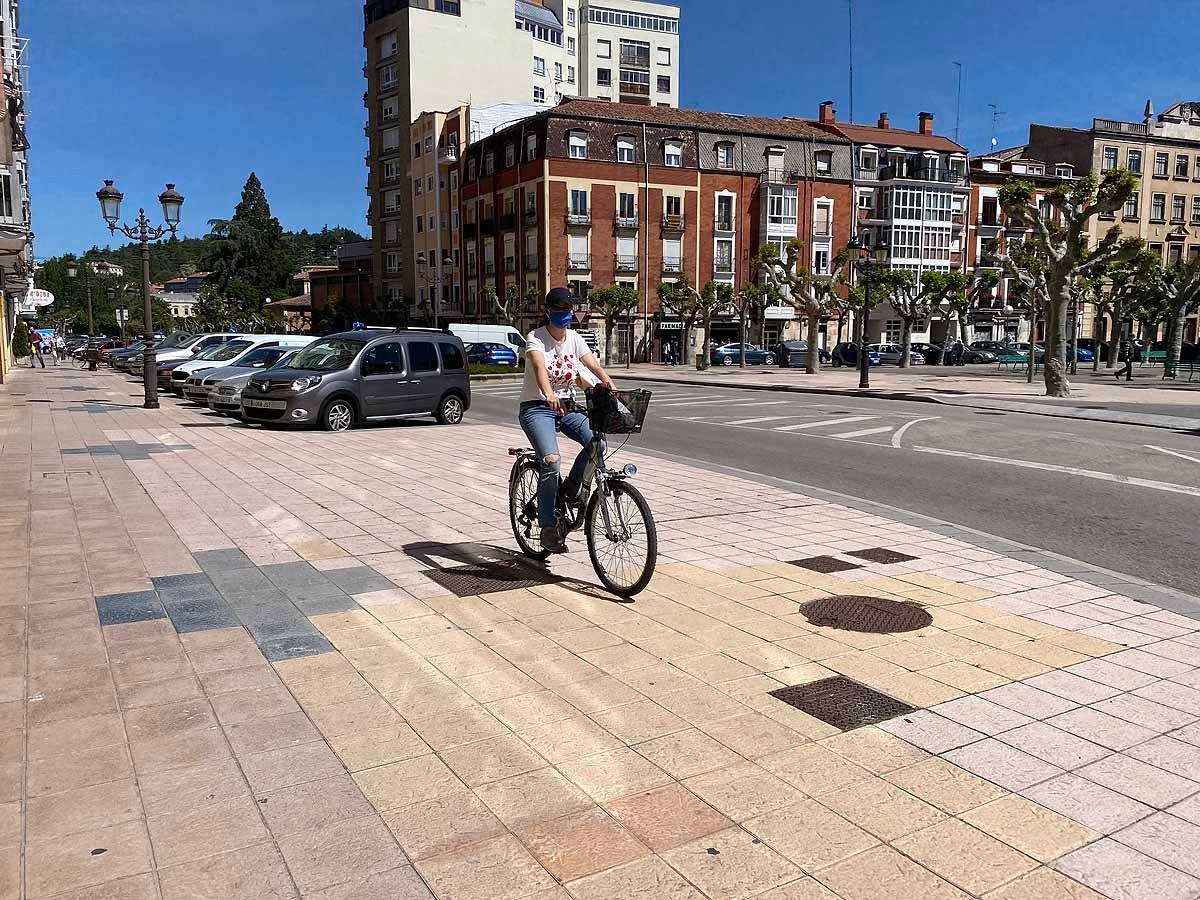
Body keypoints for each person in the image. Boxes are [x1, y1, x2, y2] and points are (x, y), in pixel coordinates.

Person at [519, 287, 615, 552]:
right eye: (559, 310)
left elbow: (592, 366)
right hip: (537, 407)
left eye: (568, 310)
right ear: (548, 312)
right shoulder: (535, 338)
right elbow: (539, 366)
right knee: (551, 461)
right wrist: (548, 393)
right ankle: (548, 527)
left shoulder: (574, 338)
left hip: (568, 406)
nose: (565, 314)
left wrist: (610, 385)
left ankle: (571, 487)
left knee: (598, 443)